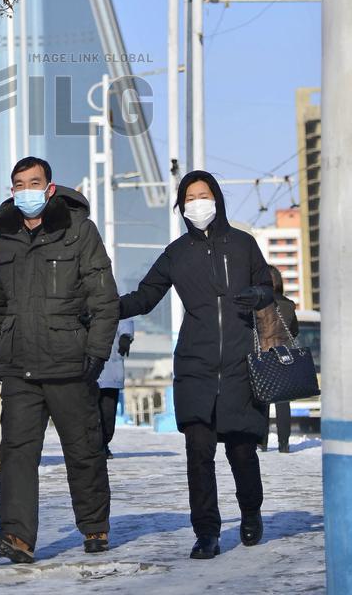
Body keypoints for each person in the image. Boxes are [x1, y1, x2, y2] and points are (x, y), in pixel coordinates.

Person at [119, 170, 274, 560]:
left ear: (216, 199)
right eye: (189, 198)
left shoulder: (243, 244)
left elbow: (267, 285)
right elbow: (145, 297)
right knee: (198, 455)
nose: (197, 203)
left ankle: (251, 511)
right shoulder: (177, 253)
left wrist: (258, 294)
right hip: (195, 367)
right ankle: (206, 532)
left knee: (242, 451)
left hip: (240, 365)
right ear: (181, 206)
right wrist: (104, 308)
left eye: (203, 195)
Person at [0, 156, 119, 564]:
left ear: (50, 187)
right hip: (18, 363)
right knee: (16, 452)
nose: (26, 190)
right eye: (19, 184)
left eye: (34, 182)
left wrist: (96, 351)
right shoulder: (3, 236)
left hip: (69, 361)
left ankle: (94, 526)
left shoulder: (79, 231)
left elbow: (104, 300)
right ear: (12, 190)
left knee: (83, 449)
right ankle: (17, 536)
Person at [259, 265, 299, 454]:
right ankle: (284, 444)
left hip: (263, 354)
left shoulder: (259, 303)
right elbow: (294, 331)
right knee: (283, 402)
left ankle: (262, 442)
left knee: (262, 398)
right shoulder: (288, 305)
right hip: (284, 355)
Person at [98, 319, 134, 458]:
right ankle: (94, 446)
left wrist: (126, 336)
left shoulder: (114, 305)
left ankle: (104, 443)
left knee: (107, 414)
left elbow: (125, 318)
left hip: (110, 370)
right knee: (88, 413)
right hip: (84, 372)